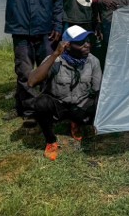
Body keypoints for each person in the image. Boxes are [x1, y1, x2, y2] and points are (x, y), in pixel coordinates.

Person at [27, 25, 102, 161]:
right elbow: (31, 82)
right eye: (80, 43)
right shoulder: (54, 61)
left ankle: (76, 123)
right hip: (59, 106)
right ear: (66, 45)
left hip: (80, 105)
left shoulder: (93, 61)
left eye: (87, 41)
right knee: (41, 103)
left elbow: (98, 90)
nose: (87, 45)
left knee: (100, 101)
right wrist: (55, 53)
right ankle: (51, 142)